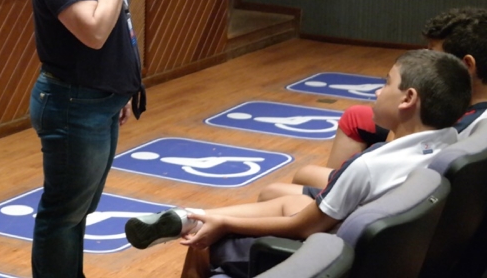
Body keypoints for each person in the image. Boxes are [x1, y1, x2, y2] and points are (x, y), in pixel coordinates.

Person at [124, 50, 471, 278]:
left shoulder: (369, 166)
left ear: (408, 98)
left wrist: (222, 224)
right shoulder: (450, 141)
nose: (378, 92)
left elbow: (302, 228)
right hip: (374, 252)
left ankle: (196, 222)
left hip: (332, 258)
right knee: (283, 199)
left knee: (203, 242)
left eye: (386, 83)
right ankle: (195, 215)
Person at [21, 0, 146, 278]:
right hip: (73, 104)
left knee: (80, 208)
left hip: (98, 100)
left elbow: (116, 26)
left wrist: (119, 89)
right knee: (64, 213)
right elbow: (93, 31)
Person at [288, 7, 487, 190]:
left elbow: (403, 156)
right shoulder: (469, 105)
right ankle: (332, 188)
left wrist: (396, 126)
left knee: (304, 174)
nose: (424, 55)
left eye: (433, 52)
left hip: (397, 183)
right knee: (356, 117)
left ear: (467, 65)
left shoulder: (457, 124)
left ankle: (333, 195)